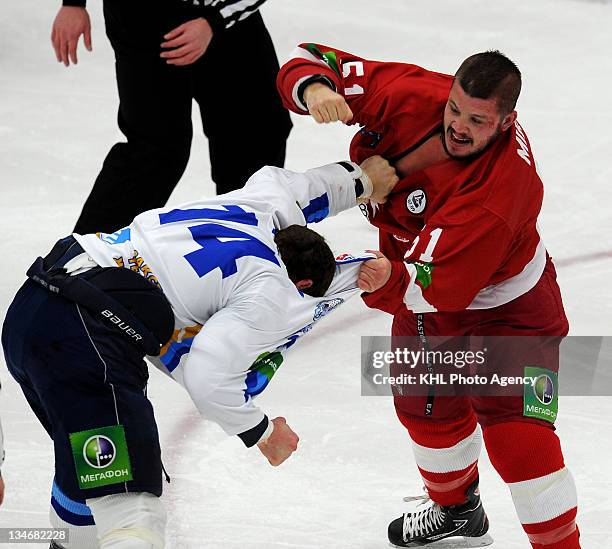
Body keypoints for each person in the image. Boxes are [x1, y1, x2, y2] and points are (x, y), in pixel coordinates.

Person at [2, 155, 398, 548]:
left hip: (32, 307)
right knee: (132, 512)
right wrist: (261, 431)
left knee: (90, 470)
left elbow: (300, 188)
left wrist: (361, 181)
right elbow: (208, 377)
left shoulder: (253, 209)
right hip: (85, 337)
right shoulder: (268, 290)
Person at [277, 44, 580, 549]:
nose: (458, 125)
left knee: (517, 435)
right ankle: (457, 512)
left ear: (508, 121)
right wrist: (315, 88)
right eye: (455, 108)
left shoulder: (499, 193)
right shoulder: (414, 93)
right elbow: (312, 56)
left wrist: (371, 277)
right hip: (429, 286)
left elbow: (432, 287)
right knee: (424, 407)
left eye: (477, 120)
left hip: (509, 310)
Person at [51, 0, 293, 235]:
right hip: (143, 15)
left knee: (258, 132)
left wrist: (215, 20)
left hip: (227, 15)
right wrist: (74, 4)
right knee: (156, 148)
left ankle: (248, 245)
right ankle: (85, 263)